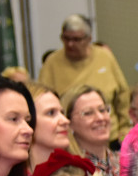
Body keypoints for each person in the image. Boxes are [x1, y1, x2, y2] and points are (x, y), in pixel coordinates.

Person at [38, 14, 131, 143]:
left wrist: (124, 128)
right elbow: (41, 102)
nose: (70, 44)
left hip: (110, 135)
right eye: (66, 38)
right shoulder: (52, 62)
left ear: (89, 39)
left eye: (76, 39)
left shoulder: (104, 56)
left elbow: (122, 95)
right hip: (71, 139)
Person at [62, 85, 123, 176]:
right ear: (69, 123)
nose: (100, 118)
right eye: (88, 113)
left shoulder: (126, 162)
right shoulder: (73, 174)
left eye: (102, 110)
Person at [26, 81, 71, 168]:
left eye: (62, 112)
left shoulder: (76, 172)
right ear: (28, 121)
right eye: (51, 113)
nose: (65, 120)